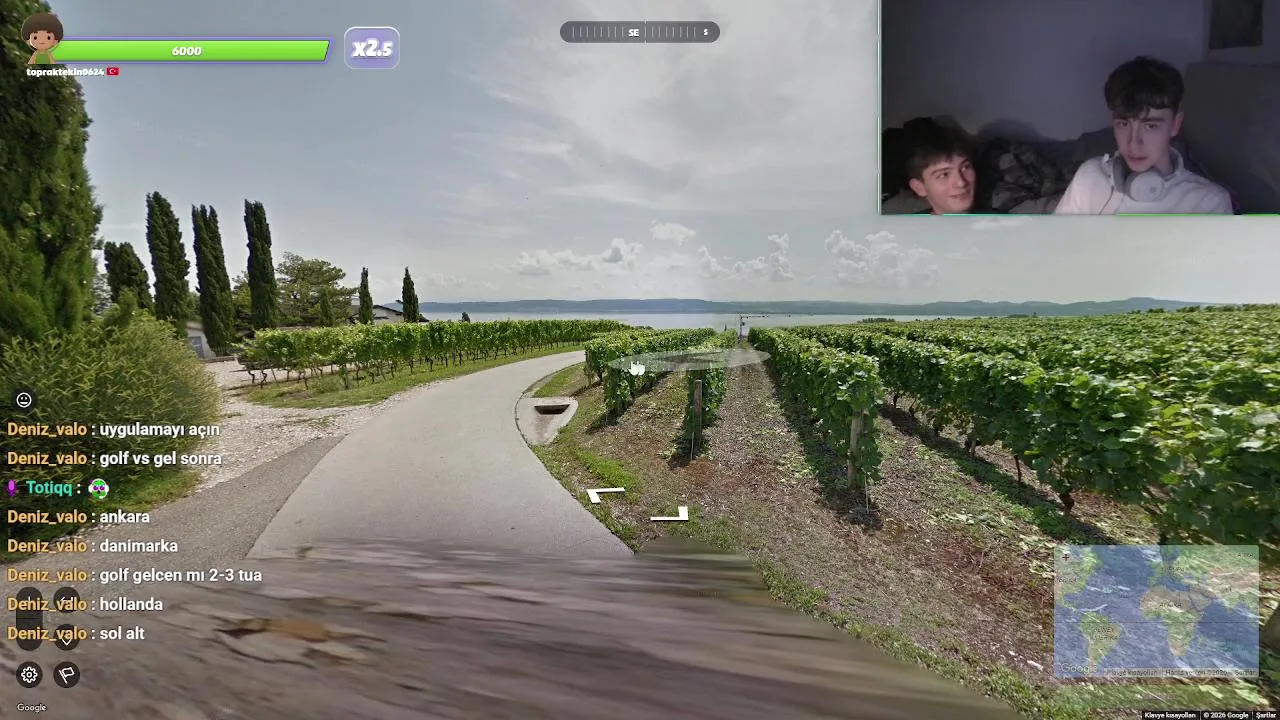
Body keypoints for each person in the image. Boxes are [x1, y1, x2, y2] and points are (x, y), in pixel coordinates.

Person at [1055, 56, 1232, 215]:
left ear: (1175, 125)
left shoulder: (1208, 203)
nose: (1134, 143)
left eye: (1150, 126)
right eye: (1124, 124)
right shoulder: (1089, 177)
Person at [904, 122, 981, 214]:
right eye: (944, 175)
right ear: (919, 188)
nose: (961, 183)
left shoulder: (995, 219)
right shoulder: (905, 223)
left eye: (965, 167)